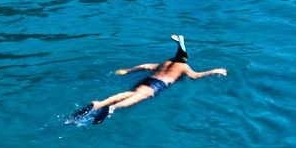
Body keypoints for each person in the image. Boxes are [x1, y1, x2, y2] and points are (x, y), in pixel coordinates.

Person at [71, 35, 227, 125]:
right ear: (185, 59)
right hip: (158, 85)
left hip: (148, 80)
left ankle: (101, 103)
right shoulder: (184, 67)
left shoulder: (166, 62)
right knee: (137, 98)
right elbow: (196, 76)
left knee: (130, 93)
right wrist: (215, 70)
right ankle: (113, 108)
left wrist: (128, 71)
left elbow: (146, 66)